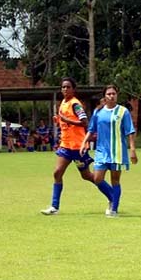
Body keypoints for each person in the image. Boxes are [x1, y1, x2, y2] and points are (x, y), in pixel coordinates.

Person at [40, 77, 114, 215]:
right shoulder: (63, 102)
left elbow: (85, 122)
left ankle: (112, 197)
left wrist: (67, 120)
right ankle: (54, 207)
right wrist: (59, 121)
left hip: (78, 147)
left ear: (74, 89)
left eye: (68, 87)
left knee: (87, 176)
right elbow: (65, 123)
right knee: (57, 173)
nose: (65, 89)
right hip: (65, 146)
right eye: (63, 87)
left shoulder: (75, 104)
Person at [80, 85, 137, 217]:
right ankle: (113, 198)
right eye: (109, 94)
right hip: (101, 151)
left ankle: (114, 209)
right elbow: (91, 129)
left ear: (117, 95)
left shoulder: (123, 112)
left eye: (114, 94)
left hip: (117, 151)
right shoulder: (98, 112)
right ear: (104, 96)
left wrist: (132, 149)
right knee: (97, 178)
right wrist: (84, 142)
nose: (111, 96)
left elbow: (130, 131)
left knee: (115, 180)